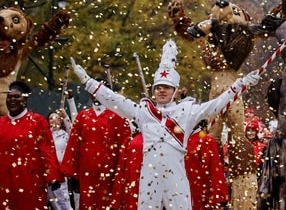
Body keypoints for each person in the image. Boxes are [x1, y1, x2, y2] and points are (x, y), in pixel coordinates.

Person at [70, 39, 260, 209]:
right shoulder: (144, 111)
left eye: (166, 88)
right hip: (149, 176)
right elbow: (115, 101)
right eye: (158, 87)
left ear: (175, 91)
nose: (162, 91)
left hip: (175, 176)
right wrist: (88, 81)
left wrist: (239, 85)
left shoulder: (187, 112)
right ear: (153, 91)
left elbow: (215, 105)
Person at [61, 79, 132, 210]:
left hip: (111, 177)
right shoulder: (83, 116)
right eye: (93, 91)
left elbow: (125, 147)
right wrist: (73, 175)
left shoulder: (119, 116)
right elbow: (73, 145)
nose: (96, 95)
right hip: (87, 175)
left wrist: (123, 174)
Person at [0, 81, 64, 209]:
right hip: (4, 184)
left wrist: (52, 176)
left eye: (17, 97)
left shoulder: (37, 121)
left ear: (25, 99)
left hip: (30, 183)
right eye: (10, 97)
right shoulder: (1, 123)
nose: (12, 100)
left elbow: (47, 150)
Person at [185, 119, 230, 209]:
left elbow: (214, 169)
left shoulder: (206, 140)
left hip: (200, 194)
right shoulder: (178, 140)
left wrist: (219, 196)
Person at [47, 110, 74, 210]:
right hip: (48, 172)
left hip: (61, 172)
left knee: (64, 200)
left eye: (57, 118)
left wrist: (66, 117)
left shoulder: (65, 135)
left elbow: (73, 132)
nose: (53, 120)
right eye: (50, 118)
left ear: (60, 121)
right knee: (53, 202)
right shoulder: (45, 135)